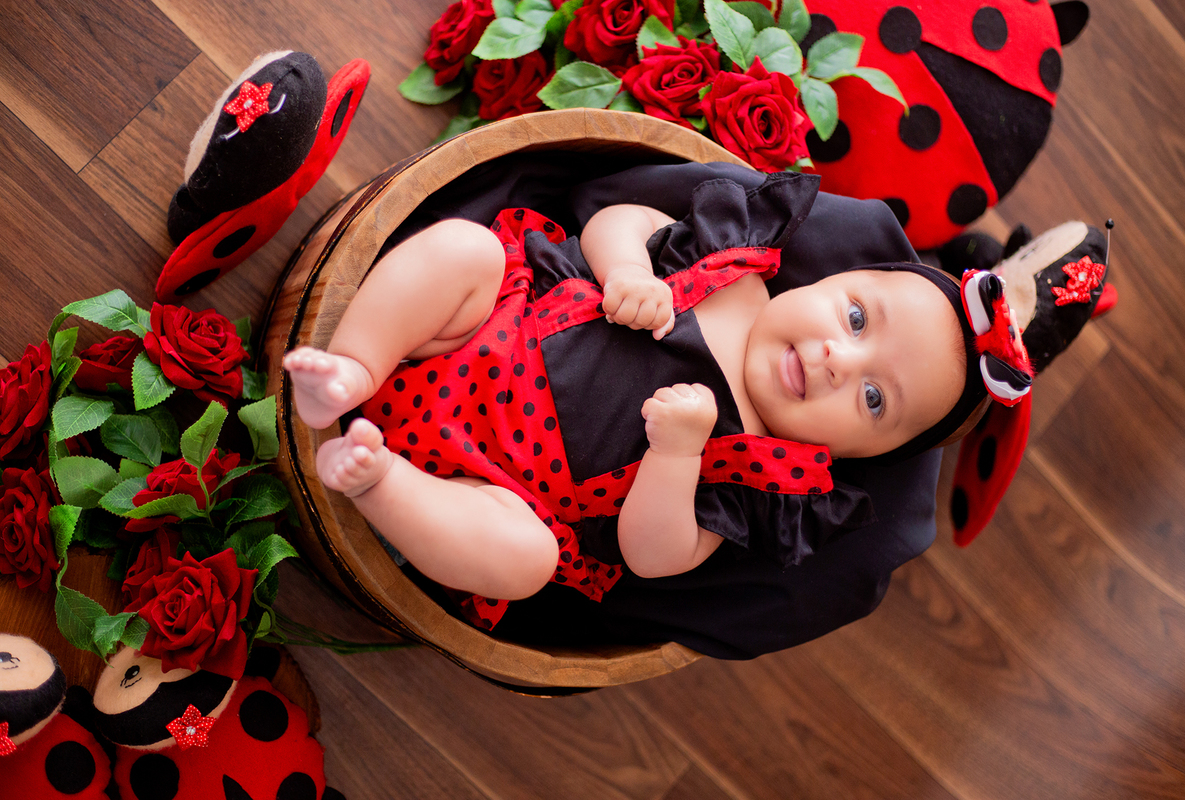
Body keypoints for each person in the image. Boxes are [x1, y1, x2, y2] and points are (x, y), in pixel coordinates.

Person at [282, 174, 1003, 630]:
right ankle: (352, 370)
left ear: (851, 456)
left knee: (526, 563)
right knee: (466, 253)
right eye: (854, 318)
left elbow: (654, 556)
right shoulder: (736, 272)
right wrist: (627, 267)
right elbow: (615, 215)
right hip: (485, 329)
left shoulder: (760, 474)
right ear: (827, 281)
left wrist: (678, 454)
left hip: (504, 487)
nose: (835, 361)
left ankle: (381, 480)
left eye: (874, 398)